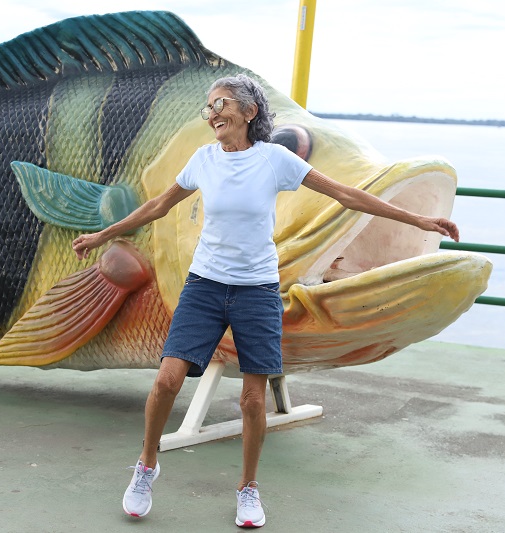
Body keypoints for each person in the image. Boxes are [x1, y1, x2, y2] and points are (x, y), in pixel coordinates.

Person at [71, 74, 459, 528]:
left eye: (221, 104)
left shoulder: (275, 159)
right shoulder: (203, 160)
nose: (213, 113)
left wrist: (418, 218)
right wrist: (103, 234)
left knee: (253, 401)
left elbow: (345, 195)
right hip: (204, 287)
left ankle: (248, 488)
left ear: (249, 112)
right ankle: (145, 465)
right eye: (209, 106)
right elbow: (157, 206)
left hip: (256, 291)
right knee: (166, 382)